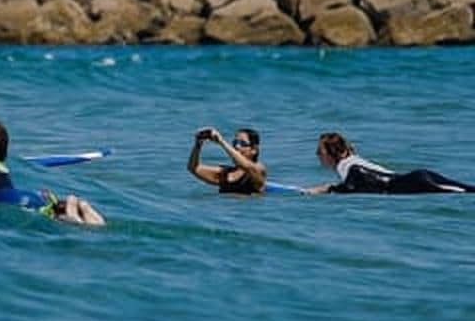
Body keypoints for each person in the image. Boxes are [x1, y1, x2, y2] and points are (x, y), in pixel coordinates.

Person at [0, 118, 105, 226]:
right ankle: (80, 209)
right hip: (32, 198)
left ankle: (73, 217)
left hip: (16, 204)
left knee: (65, 219)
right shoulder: (1, 166)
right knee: (73, 204)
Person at [305, 131, 475, 194]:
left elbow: (352, 183)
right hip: (418, 177)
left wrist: (329, 188)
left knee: (464, 193)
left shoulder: (345, 166)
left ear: (331, 154)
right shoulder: (353, 159)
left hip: (412, 183)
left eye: (320, 152)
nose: (317, 155)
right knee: (469, 190)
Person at [187, 126, 267, 194]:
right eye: (235, 143)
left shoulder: (258, 170)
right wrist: (198, 144)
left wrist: (221, 141)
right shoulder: (225, 174)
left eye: (242, 144)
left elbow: (245, 165)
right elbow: (193, 168)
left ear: (254, 149)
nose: (237, 146)